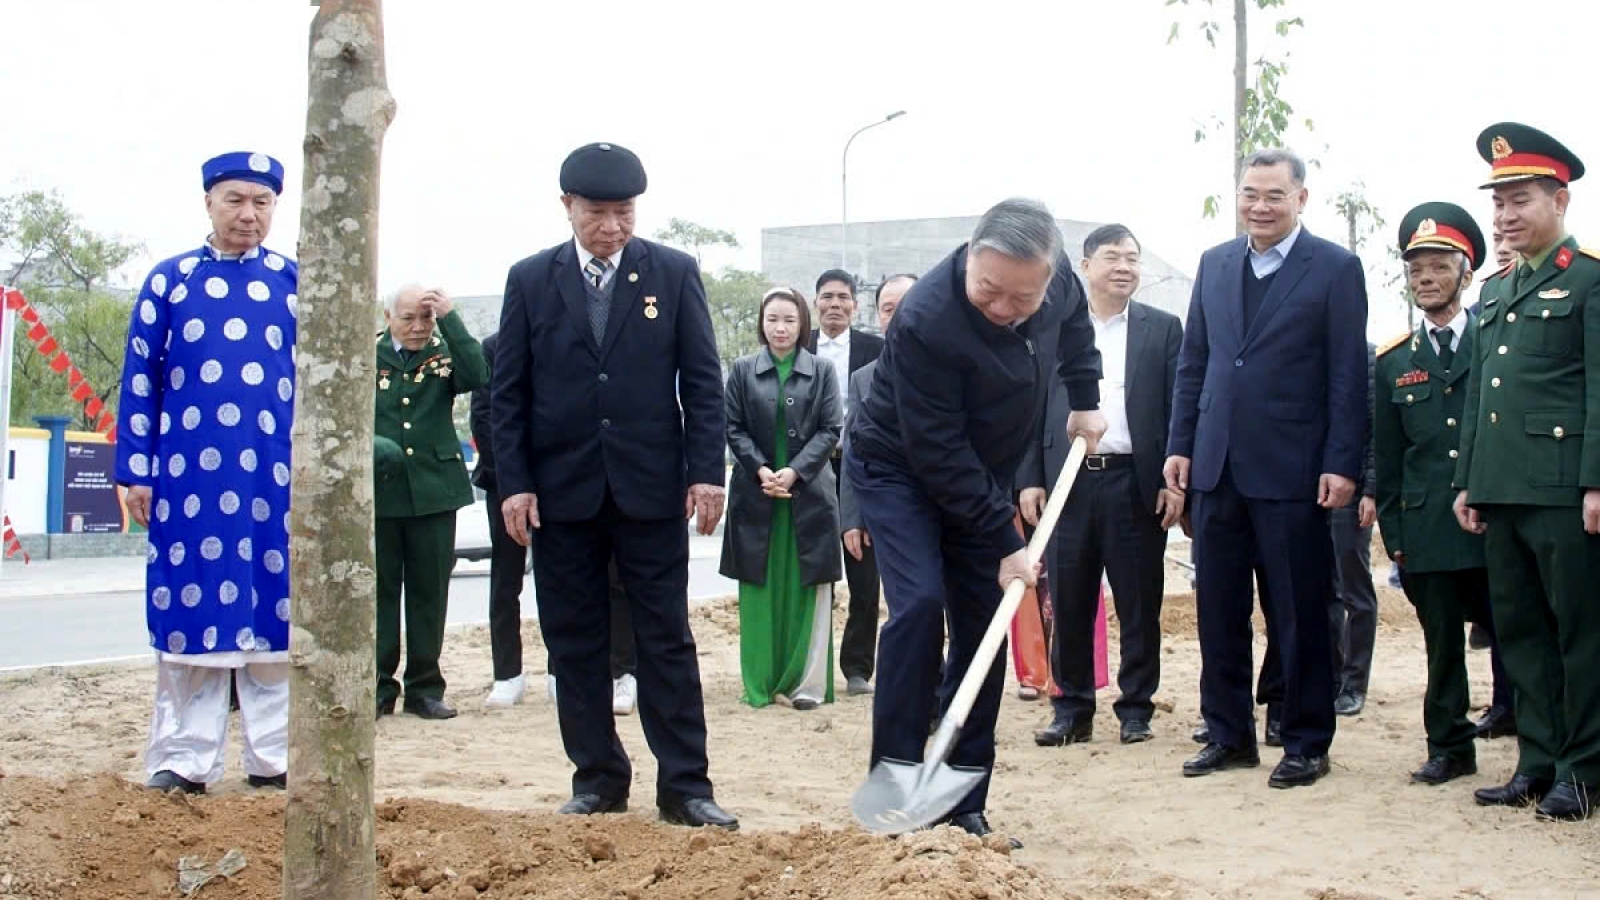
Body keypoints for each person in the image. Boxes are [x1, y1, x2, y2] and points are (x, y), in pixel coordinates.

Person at [491, 142, 737, 829]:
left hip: (650, 490)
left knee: (666, 638)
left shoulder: (675, 272)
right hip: (561, 493)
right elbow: (507, 395)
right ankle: (598, 777)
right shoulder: (531, 280)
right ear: (567, 206)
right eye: (598, 213)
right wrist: (516, 483)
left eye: (624, 213)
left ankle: (686, 785)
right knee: (573, 641)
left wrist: (705, 473)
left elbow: (703, 383)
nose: (613, 227)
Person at [847, 198, 1106, 847]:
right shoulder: (927, 320)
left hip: (978, 471)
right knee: (919, 606)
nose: (1001, 307)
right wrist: (1004, 541)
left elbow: (1075, 332)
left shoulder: (1058, 286)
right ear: (970, 255)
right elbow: (937, 453)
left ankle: (963, 796)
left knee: (982, 622)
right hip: (898, 467)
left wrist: (1086, 401)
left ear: (1048, 278)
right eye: (988, 289)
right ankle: (897, 781)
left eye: (1020, 298)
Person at [1166, 147, 1369, 789]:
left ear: (1301, 199)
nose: (1260, 205)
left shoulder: (1335, 269)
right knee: (1217, 612)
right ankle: (1227, 735)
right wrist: (1182, 445)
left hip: (1295, 471)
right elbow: (1194, 363)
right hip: (1218, 468)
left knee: (1300, 612)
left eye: (1274, 195)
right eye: (1250, 193)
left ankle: (1306, 740)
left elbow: (1346, 377)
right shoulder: (1216, 263)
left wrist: (1343, 462)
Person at [115, 151, 298, 794]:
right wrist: (136, 470)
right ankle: (185, 759)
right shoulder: (170, 282)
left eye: (262, 202)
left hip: (277, 481)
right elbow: (139, 382)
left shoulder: (296, 284)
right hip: (190, 481)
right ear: (209, 203)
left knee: (277, 620)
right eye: (235, 200)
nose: (249, 214)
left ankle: (275, 757)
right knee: (192, 617)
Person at [1453, 122, 1600, 821]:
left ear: (1560, 200)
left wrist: (1597, 481)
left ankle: (1583, 769)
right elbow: (1483, 393)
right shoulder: (1498, 288)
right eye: (1499, 204)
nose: (1507, 217)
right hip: (1503, 490)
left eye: (1521, 201)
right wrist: (1470, 482)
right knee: (1521, 634)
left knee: (1580, 633)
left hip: (1565, 491)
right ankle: (1537, 762)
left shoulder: (1590, 278)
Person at [1023, 223, 1183, 747]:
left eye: (1133, 258)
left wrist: (1173, 480)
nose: (1124, 267)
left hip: (1135, 482)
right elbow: (1026, 411)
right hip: (1066, 484)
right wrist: (1029, 478)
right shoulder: (1050, 331)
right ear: (1085, 265)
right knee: (1068, 600)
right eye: (1113, 257)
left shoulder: (1162, 329)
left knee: (1140, 602)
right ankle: (1071, 708)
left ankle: (1136, 708)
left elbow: (1177, 411)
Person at [1375, 201, 1500, 786]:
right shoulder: (1394, 362)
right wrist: (1395, 536)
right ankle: (1449, 745)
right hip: (1427, 528)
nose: (1426, 279)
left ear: (1466, 273)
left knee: (1519, 638)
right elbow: (1389, 455)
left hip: (1498, 519)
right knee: (1442, 646)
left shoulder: (1497, 343)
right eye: (1417, 269)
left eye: (1439, 267)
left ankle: (1536, 744)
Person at [721, 287, 843, 709]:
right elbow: (732, 426)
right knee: (759, 585)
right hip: (756, 497)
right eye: (772, 319)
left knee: (807, 586)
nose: (780, 328)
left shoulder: (823, 370)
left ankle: (805, 684)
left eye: (789, 320)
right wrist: (761, 470)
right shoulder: (740, 370)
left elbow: (831, 429)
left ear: (802, 324)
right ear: (762, 323)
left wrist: (794, 472)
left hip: (808, 496)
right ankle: (761, 681)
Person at [374, 285, 488, 721]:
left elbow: (478, 374)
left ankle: (424, 688)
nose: (418, 327)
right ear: (389, 317)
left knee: (428, 594)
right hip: (383, 492)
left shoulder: (444, 354)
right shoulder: (368, 356)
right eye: (409, 318)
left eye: (426, 318)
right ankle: (380, 686)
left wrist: (452, 319)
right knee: (382, 593)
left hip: (434, 493)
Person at [808, 269, 885, 696]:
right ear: (815, 302)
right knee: (815, 569)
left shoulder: (876, 349)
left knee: (864, 573)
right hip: (810, 472)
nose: (835, 304)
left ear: (856, 305)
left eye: (843, 297)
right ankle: (811, 663)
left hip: (857, 470)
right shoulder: (799, 347)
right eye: (827, 297)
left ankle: (858, 668)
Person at [470, 332, 532, 708]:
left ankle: (560, 672)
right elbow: (484, 417)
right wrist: (514, 481)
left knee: (562, 582)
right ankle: (507, 674)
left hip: (559, 481)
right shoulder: (494, 347)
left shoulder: (561, 338)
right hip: (504, 482)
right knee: (505, 584)